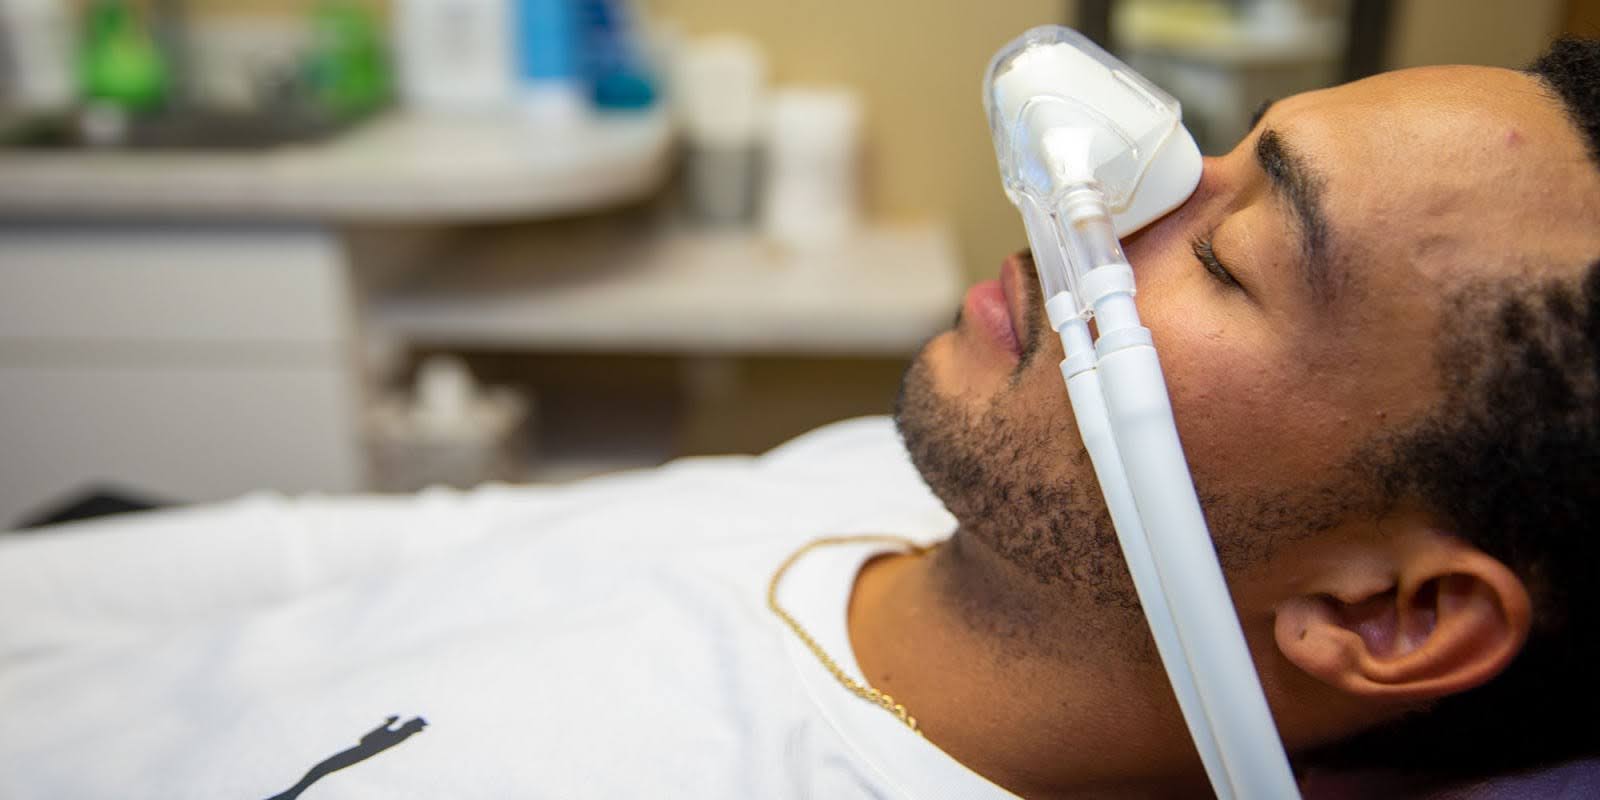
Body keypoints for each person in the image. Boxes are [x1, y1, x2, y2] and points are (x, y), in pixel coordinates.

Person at [1, 37, 1596, 800]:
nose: (1097, 200)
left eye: (1238, 254)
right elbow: (361, 560)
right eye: (1218, 152)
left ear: (1386, 613)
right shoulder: (893, 488)